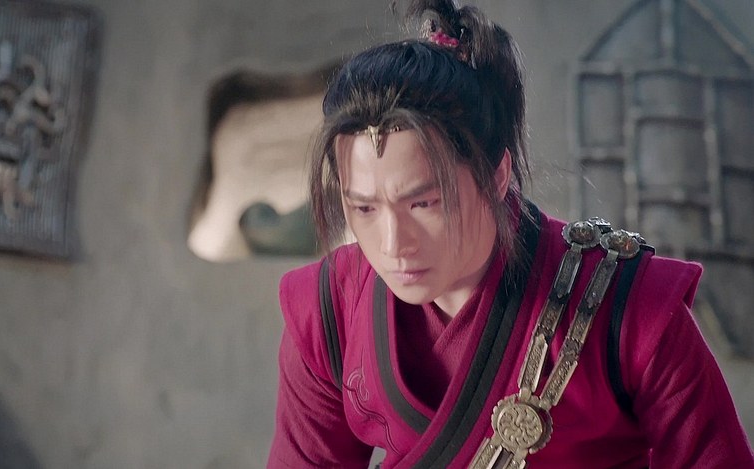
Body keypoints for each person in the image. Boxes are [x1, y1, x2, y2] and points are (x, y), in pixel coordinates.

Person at [267, 1, 754, 467]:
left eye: (424, 203)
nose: (393, 244)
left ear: (496, 175)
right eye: (364, 208)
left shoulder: (629, 308)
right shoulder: (328, 310)